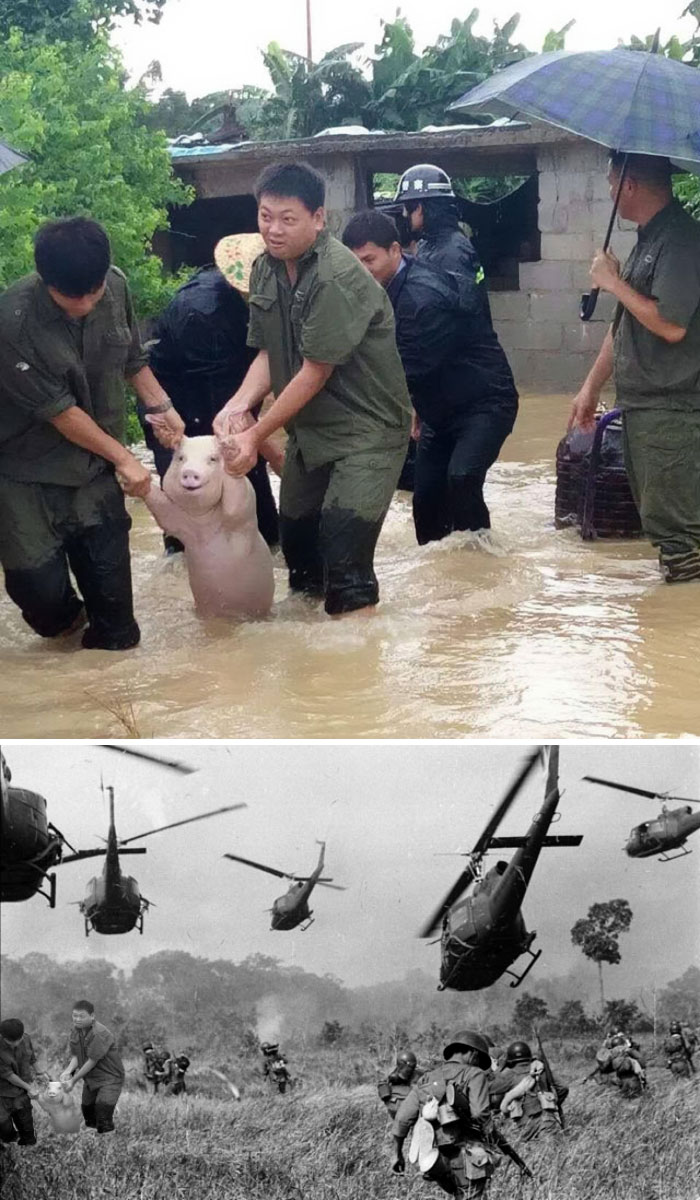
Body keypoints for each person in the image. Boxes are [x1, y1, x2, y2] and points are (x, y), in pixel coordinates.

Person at [211, 162, 411, 617]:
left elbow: (314, 371)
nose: (273, 230)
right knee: (299, 553)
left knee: (345, 559)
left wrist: (253, 436)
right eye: (265, 216)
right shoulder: (265, 268)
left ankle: (354, 671)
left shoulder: (336, 277)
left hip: (368, 434)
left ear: (319, 218)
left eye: (288, 218)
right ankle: (308, 667)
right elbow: (268, 352)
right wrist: (238, 404)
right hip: (311, 431)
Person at [0, 217, 184, 650]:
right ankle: (66, 632)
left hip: (95, 469)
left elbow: (131, 358)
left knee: (119, 630)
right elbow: (60, 412)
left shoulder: (115, 286)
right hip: (26, 473)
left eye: (93, 291)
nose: (84, 303)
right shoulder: (12, 322)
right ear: (46, 281)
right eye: (69, 296)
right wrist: (124, 457)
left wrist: (162, 406)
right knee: (41, 598)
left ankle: (109, 702)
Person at [342, 210, 517, 545]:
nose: (361, 271)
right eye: (354, 263)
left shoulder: (422, 300)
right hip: (438, 411)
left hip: (485, 404)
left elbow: (404, 371)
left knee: (462, 478)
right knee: (425, 500)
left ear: (395, 250)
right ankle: (442, 580)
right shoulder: (383, 287)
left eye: (369, 260)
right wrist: (417, 408)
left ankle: (485, 564)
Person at [569, 152, 700, 583]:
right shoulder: (650, 239)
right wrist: (590, 388)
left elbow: (671, 324)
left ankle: (681, 639)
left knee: (681, 541)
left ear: (629, 185)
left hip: (674, 412)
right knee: (665, 530)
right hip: (646, 409)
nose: (609, 193)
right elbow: (625, 325)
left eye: (610, 184)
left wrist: (614, 283)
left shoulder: (680, 240)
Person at [144, 248, 280, 552]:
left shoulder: (252, 304)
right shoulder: (203, 312)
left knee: (257, 512)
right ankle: (180, 574)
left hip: (226, 392)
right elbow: (228, 415)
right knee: (190, 505)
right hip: (179, 409)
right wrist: (277, 457)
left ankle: (270, 554)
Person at [390, 1029, 498, 1199]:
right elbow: (479, 1114)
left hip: (436, 1160)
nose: (477, 1064)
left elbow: (402, 1119)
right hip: (469, 1155)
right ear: (473, 1054)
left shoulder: (426, 1079)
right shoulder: (474, 1074)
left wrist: (396, 1154)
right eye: (478, 1060)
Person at [394, 164, 490, 316]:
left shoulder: (453, 251)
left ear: (419, 208)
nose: (405, 214)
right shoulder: (432, 243)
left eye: (407, 207)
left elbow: (462, 313)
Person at [59, 999, 125, 1134]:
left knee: (102, 1113)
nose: (77, 1019)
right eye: (74, 1015)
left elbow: (92, 1061)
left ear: (92, 1016)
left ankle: (109, 1147)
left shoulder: (99, 1033)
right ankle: (93, 1144)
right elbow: (77, 1055)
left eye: (81, 1016)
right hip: (92, 1078)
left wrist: (73, 1080)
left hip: (110, 1078)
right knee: (88, 1110)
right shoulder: (76, 1031)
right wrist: (68, 1070)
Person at [488, 1040, 568, 1141]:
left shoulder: (509, 1074)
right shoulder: (540, 1069)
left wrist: (499, 1068)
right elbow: (563, 1087)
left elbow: (487, 1088)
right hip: (547, 1119)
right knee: (553, 1150)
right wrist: (553, 1103)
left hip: (523, 1124)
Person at [0, 1018, 46, 1147]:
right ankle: (10, 1143)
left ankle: (28, 1145)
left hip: (21, 1092)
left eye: (17, 1040)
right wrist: (29, 1088)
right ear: (2, 1036)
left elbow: (31, 1058)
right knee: (3, 1124)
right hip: (3, 1093)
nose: (15, 1044)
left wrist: (40, 1072)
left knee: (26, 1124)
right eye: (10, 1041)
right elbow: (8, 1075)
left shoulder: (25, 1038)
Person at [378, 1049, 418, 1118]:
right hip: (398, 1105)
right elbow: (382, 1086)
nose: (410, 1070)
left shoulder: (417, 1074)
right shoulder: (392, 1074)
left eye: (413, 1066)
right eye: (409, 1067)